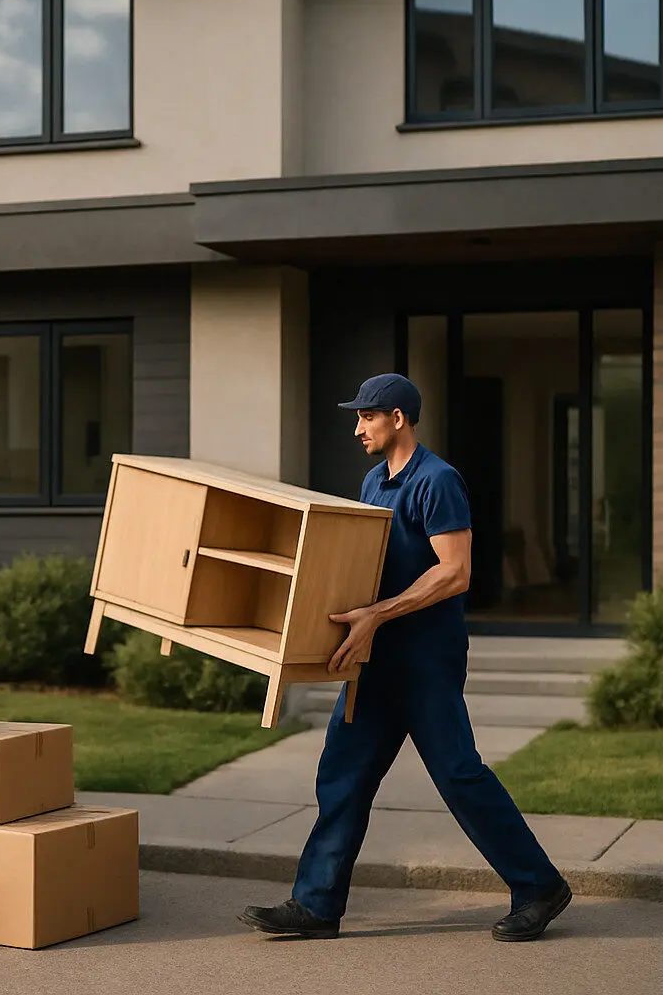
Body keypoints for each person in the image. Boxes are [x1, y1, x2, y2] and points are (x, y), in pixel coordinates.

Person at [237, 373, 572, 943]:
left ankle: (539, 886)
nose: (357, 428)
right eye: (358, 416)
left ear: (398, 418)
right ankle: (316, 905)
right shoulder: (374, 481)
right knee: (342, 774)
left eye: (367, 416)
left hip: (425, 661)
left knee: (459, 775)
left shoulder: (438, 481)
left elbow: (455, 572)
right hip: (376, 657)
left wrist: (379, 613)